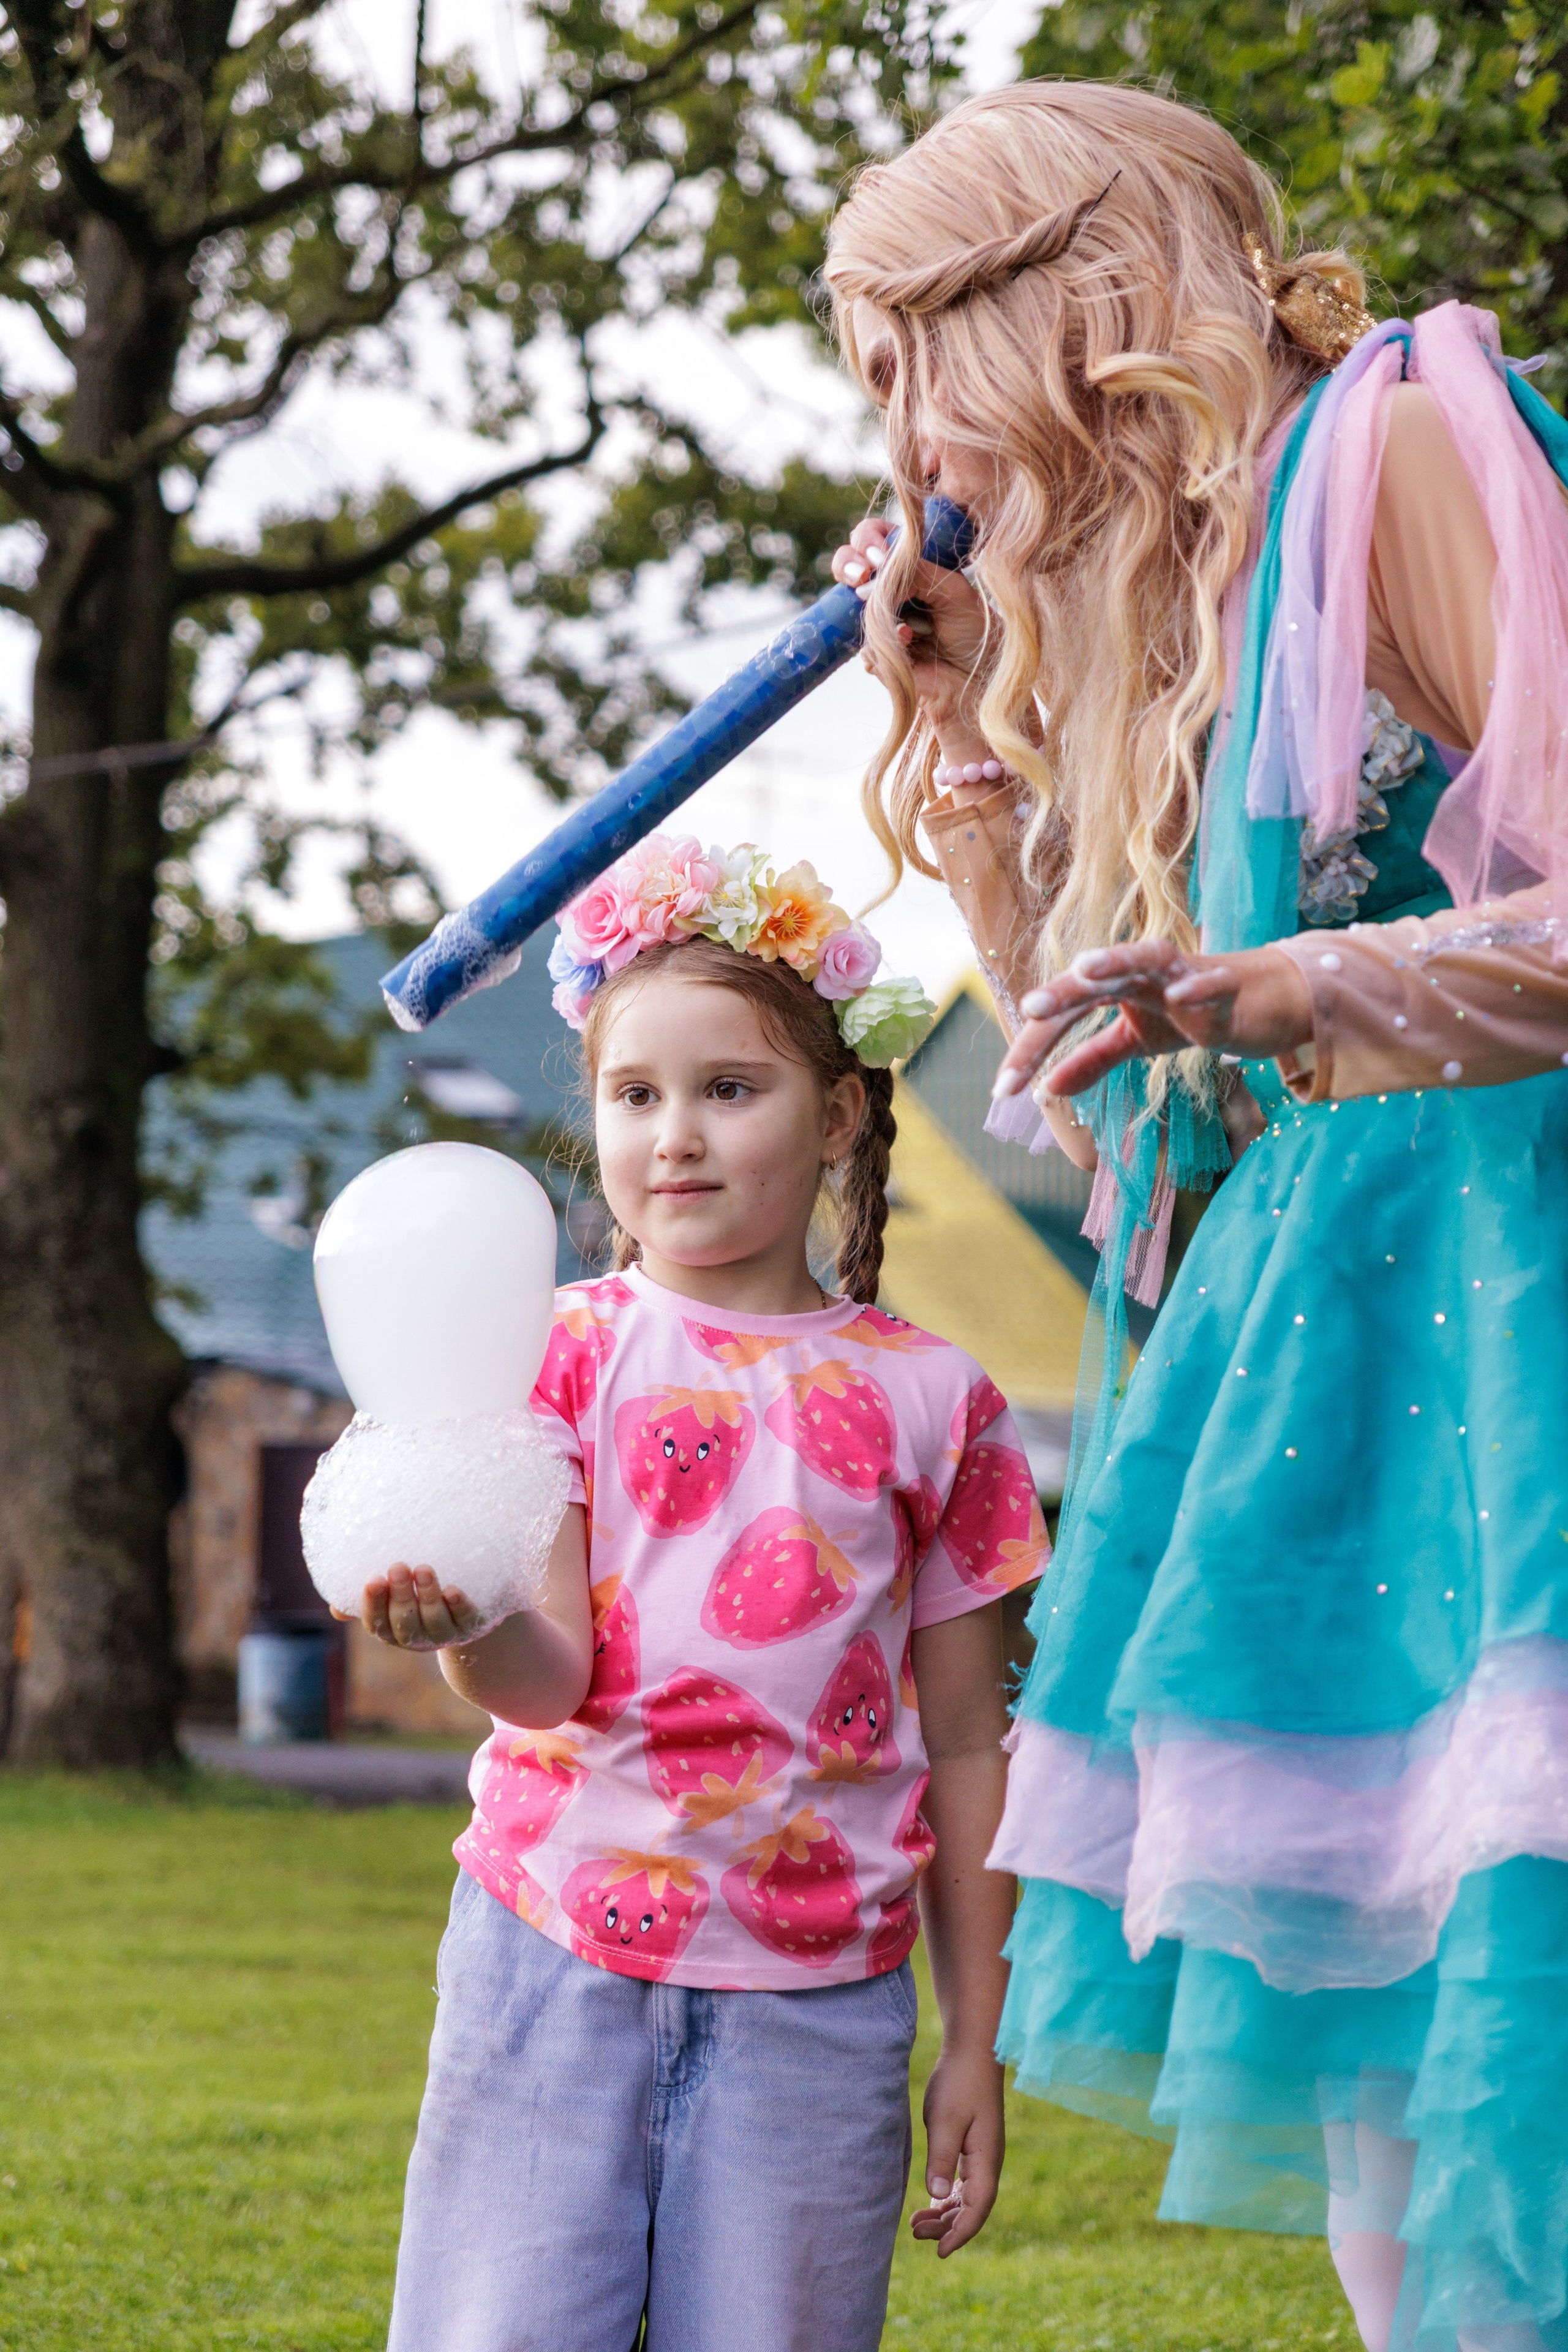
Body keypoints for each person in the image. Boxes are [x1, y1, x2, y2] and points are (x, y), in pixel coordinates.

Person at [824, 77, 1568, 2352]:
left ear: (1057, 300)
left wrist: (1301, 978)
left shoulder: (1401, 434)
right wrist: (969, 781)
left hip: (1510, 1360)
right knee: (1409, 2184)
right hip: (1330, 1417)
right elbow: (1154, 1175)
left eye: (903, 367)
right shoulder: (1193, 618)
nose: (907, 445)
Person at [349, 835, 1046, 2352]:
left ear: (840, 1115)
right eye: (634, 1094)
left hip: (820, 2002)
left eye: (730, 1089)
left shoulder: (943, 1404)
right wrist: (466, 1622)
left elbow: (973, 1747)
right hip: (550, 1958)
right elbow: (553, 1681)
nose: (676, 1134)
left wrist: (973, 2041)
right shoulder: (547, 1352)